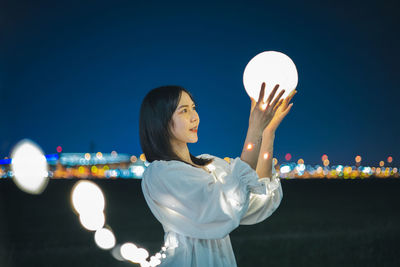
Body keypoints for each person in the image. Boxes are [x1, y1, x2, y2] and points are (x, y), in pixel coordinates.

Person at [140, 83, 296, 266]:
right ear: (161, 121)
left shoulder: (211, 165)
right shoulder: (160, 174)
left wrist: (267, 132)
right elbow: (221, 206)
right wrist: (254, 130)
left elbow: (256, 199)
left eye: (194, 108)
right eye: (183, 111)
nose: (194, 117)